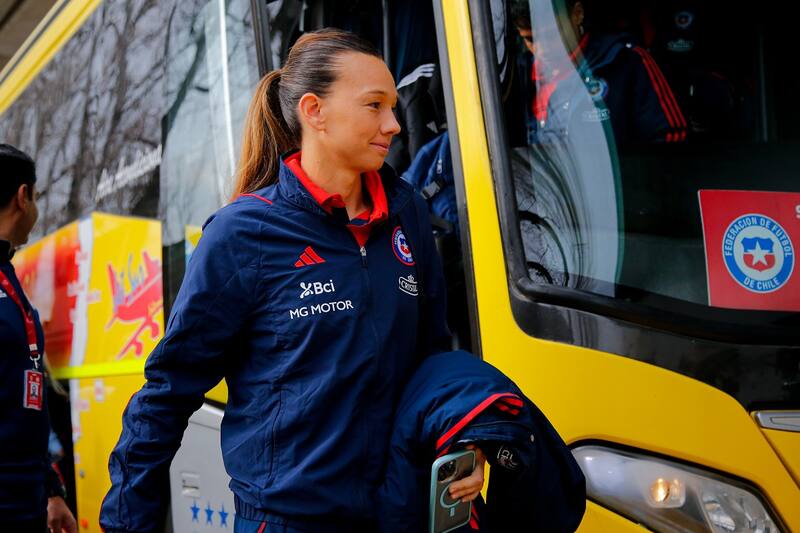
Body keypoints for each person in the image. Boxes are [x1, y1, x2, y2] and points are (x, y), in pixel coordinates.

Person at [99, 29, 485, 533]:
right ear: (314, 111)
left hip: (399, 512)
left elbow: (434, 358)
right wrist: (128, 523)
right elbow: (168, 391)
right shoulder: (243, 234)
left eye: (393, 106)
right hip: (289, 521)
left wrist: (461, 436)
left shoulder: (407, 211)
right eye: (374, 106)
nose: (393, 124)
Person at [0, 143, 77, 533]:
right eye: (37, 198)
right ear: (22, 197)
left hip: (25, 501)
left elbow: (22, 401)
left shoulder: (8, 275)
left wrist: (51, 491)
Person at [512, 0, 687, 145]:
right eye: (530, 39)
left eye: (551, 36)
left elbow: (671, 141)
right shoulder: (512, 78)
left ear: (578, 14)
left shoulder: (628, 63)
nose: (542, 50)